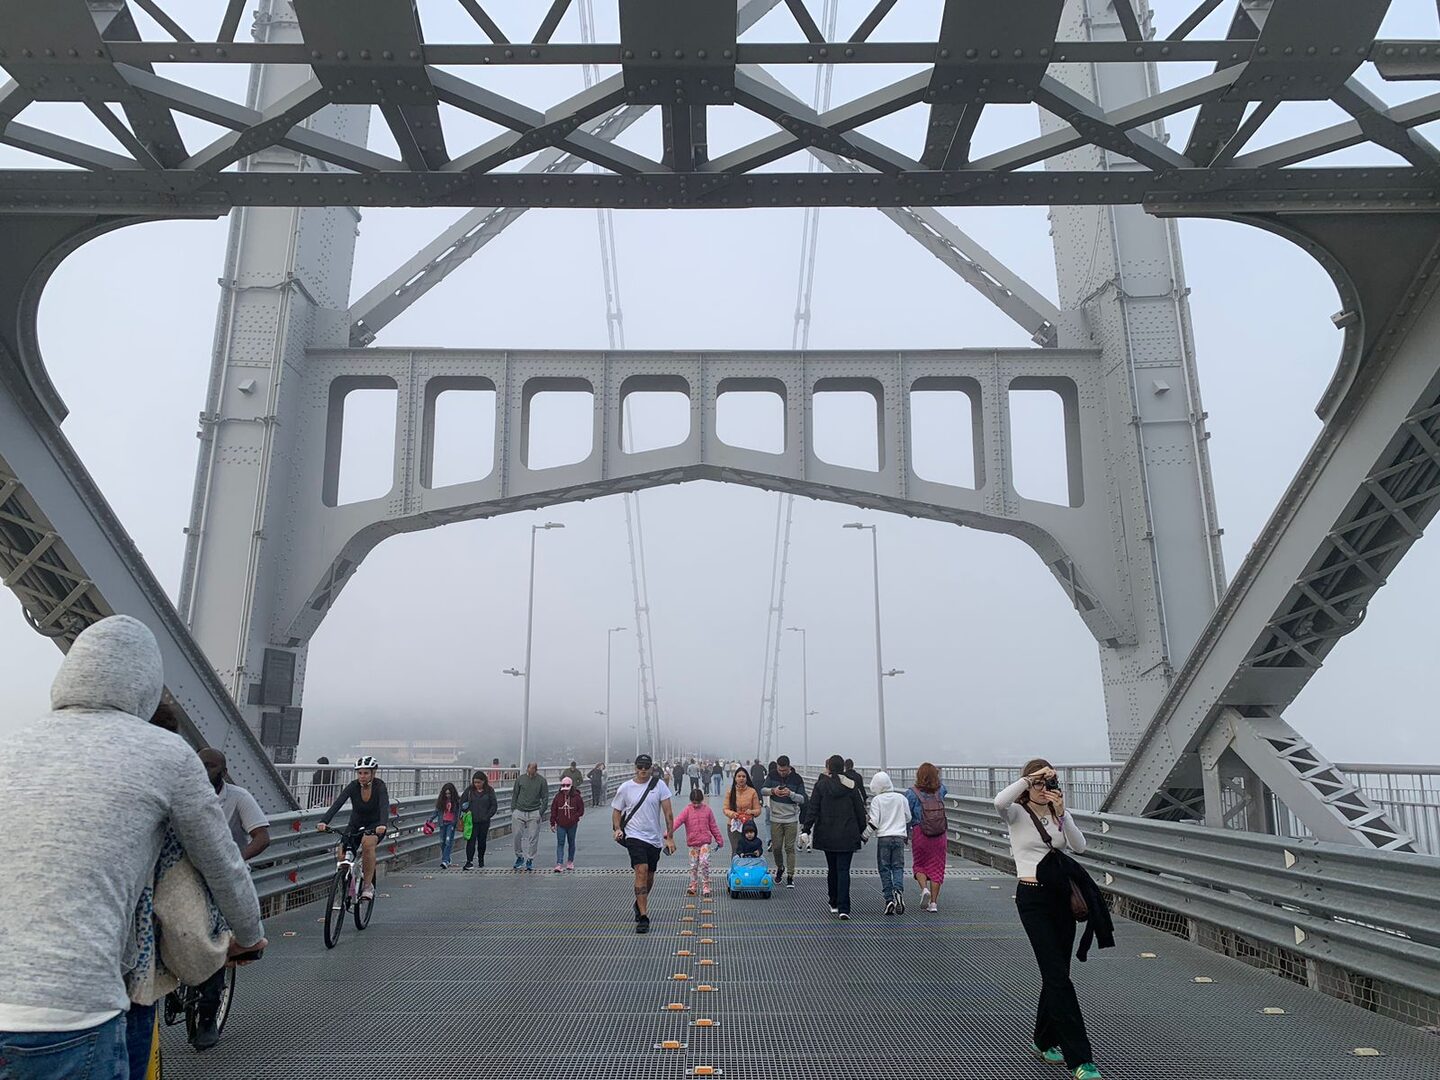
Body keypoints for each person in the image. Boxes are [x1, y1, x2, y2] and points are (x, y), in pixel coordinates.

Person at [0, 615, 266, 1078]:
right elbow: (221, 861)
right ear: (146, 685)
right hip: (68, 1015)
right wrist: (248, 932)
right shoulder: (165, 754)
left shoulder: (13, 746)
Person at [996, 760, 1102, 1080]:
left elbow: (1079, 847)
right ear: (1028, 784)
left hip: (1061, 901)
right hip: (1032, 900)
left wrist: (1063, 813)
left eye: (1050, 781)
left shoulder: (1059, 815)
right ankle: (1080, 1059)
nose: (1045, 789)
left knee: (1057, 972)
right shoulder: (1016, 812)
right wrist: (1029, 780)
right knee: (1057, 976)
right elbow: (999, 801)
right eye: (1041, 783)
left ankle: (1043, 1040)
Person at [189, 749, 271, 1050]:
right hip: (188, 876)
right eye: (199, 764)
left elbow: (262, 836)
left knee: (218, 940)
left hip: (225, 879)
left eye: (209, 766)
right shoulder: (184, 793)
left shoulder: (239, 798)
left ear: (223, 771)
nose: (203, 770)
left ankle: (208, 1017)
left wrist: (235, 857)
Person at [611, 754, 676, 933]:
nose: (643, 770)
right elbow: (617, 811)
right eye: (640, 766)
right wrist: (617, 828)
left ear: (651, 768)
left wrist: (669, 837)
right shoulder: (625, 788)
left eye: (646, 766)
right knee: (641, 870)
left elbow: (668, 813)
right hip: (634, 836)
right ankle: (644, 916)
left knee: (650, 876)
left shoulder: (659, 785)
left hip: (653, 838)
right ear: (635, 767)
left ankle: (638, 903)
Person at [803, 753, 866, 919]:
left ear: (829, 767)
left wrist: (806, 829)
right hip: (847, 833)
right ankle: (844, 908)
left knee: (832, 868)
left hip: (827, 833)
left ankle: (833, 901)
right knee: (844, 870)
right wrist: (863, 831)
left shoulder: (821, 786)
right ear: (843, 767)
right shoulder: (851, 786)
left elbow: (813, 808)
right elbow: (860, 810)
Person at [317, 756, 390, 898]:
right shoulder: (353, 786)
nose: (362, 776)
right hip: (356, 824)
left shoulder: (379, 786)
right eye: (359, 773)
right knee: (342, 853)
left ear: (373, 773)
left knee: (367, 844)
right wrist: (324, 821)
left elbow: (384, 806)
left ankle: (368, 886)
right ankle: (348, 887)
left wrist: (382, 824)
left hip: (375, 825)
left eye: (366, 773)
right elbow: (338, 803)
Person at [868, 770, 914, 916]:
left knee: (884, 869)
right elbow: (908, 817)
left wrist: (864, 836)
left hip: (884, 838)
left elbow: (874, 821)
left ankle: (889, 900)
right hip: (899, 837)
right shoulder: (901, 798)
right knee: (898, 867)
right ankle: (898, 891)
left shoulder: (877, 800)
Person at [906, 762, 949, 913]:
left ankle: (924, 889)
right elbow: (944, 788)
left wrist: (906, 833)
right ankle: (934, 904)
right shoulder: (941, 790)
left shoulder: (911, 793)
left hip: (920, 832)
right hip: (939, 833)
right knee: (937, 867)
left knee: (920, 864)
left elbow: (908, 814)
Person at [761, 755, 807, 888]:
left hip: (791, 818)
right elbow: (762, 790)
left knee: (789, 848)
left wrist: (791, 794)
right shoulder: (772, 775)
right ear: (777, 767)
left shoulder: (797, 779)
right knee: (776, 847)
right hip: (775, 817)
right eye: (780, 770)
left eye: (785, 770)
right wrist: (773, 791)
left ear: (789, 767)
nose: (782, 773)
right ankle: (780, 867)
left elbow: (803, 799)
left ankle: (790, 876)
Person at [672, 786, 723, 898]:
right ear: (691, 801)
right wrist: (668, 833)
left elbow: (713, 826)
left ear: (702, 800)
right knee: (693, 865)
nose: (696, 805)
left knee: (704, 863)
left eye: (698, 802)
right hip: (693, 843)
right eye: (694, 802)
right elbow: (677, 821)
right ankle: (693, 885)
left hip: (705, 842)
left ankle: (706, 885)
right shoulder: (687, 810)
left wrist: (719, 839)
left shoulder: (707, 810)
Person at [511, 762, 549, 871]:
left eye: (534, 769)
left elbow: (545, 797)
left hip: (534, 811)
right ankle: (519, 856)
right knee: (517, 835)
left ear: (536, 770)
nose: (532, 771)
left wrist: (541, 811)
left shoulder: (541, 781)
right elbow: (515, 794)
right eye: (530, 768)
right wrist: (513, 809)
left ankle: (530, 859)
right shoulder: (520, 779)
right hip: (519, 810)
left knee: (533, 837)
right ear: (527, 768)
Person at [460, 771, 498, 869]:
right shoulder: (469, 790)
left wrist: (488, 815)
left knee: (482, 841)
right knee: (471, 841)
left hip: (484, 820)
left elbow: (494, 805)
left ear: (484, 781)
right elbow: (462, 803)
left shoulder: (489, 791)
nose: (477, 784)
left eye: (479, 782)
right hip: (471, 820)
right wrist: (466, 811)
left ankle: (481, 859)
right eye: (475, 782)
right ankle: (469, 861)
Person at [549, 776, 586, 871]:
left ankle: (570, 861)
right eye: (563, 786)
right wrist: (553, 823)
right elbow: (553, 810)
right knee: (560, 843)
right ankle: (559, 863)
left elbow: (581, 810)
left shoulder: (577, 797)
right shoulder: (558, 797)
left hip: (572, 824)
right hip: (561, 824)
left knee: (571, 842)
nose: (565, 790)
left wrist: (575, 817)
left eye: (567, 787)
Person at [722, 766, 761, 854]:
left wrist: (751, 812)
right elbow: (725, 809)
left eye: (743, 776)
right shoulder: (730, 791)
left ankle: (748, 867)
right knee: (736, 851)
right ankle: (735, 867)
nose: (741, 778)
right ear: (735, 778)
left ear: (747, 778)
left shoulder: (752, 792)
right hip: (734, 825)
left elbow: (758, 810)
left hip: (748, 827)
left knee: (749, 850)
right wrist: (733, 814)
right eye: (739, 776)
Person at [427, 782, 461, 869]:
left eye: (449, 793)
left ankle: (445, 860)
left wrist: (458, 821)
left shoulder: (456, 802)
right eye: (446, 793)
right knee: (442, 842)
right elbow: (437, 811)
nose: (447, 795)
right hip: (442, 823)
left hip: (451, 824)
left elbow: (459, 812)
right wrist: (430, 819)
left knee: (448, 841)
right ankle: (447, 858)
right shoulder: (441, 801)